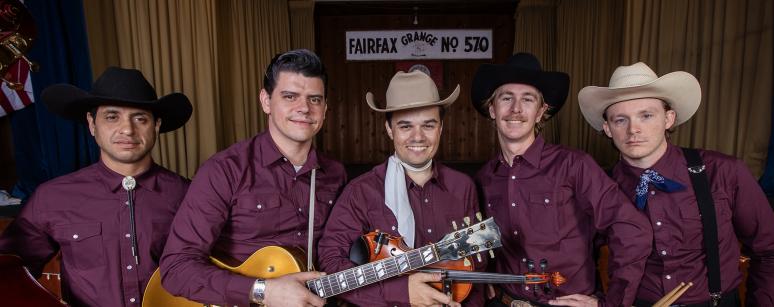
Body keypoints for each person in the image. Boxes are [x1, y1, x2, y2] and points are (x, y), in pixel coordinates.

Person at [578, 62, 774, 307]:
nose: (633, 129)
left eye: (646, 115)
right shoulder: (599, 186)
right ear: (607, 128)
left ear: (669, 118)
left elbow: (773, 250)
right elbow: (578, 255)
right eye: (620, 120)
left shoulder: (722, 171)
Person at [159, 49, 347, 307]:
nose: (304, 108)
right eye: (290, 96)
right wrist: (262, 291)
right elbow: (176, 267)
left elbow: (338, 253)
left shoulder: (336, 175)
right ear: (266, 101)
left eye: (314, 99)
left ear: (325, 109)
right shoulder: (224, 170)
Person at [470, 53, 652, 307]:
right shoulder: (483, 178)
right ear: (492, 109)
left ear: (541, 112)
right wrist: (482, 275)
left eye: (528, 99)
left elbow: (633, 230)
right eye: (506, 98)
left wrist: (612, 303)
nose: (516, 109)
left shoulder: (574, 165)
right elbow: (479, 243)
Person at [0, 67, 193, 306]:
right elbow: (9, 271)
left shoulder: (189, 194)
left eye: (140, 118)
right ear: (92, 124)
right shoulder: (53, 197)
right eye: (112, 117)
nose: (127, 129)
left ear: (155, 125)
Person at [318, 70, 485, 307]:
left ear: (441, 127)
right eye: (405, 126)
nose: (418, 137)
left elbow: (477, 266)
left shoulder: (463, 187)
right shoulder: (361, 192)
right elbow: (331, 262)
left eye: (428, 125)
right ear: (389, 129)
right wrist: (398, 292)